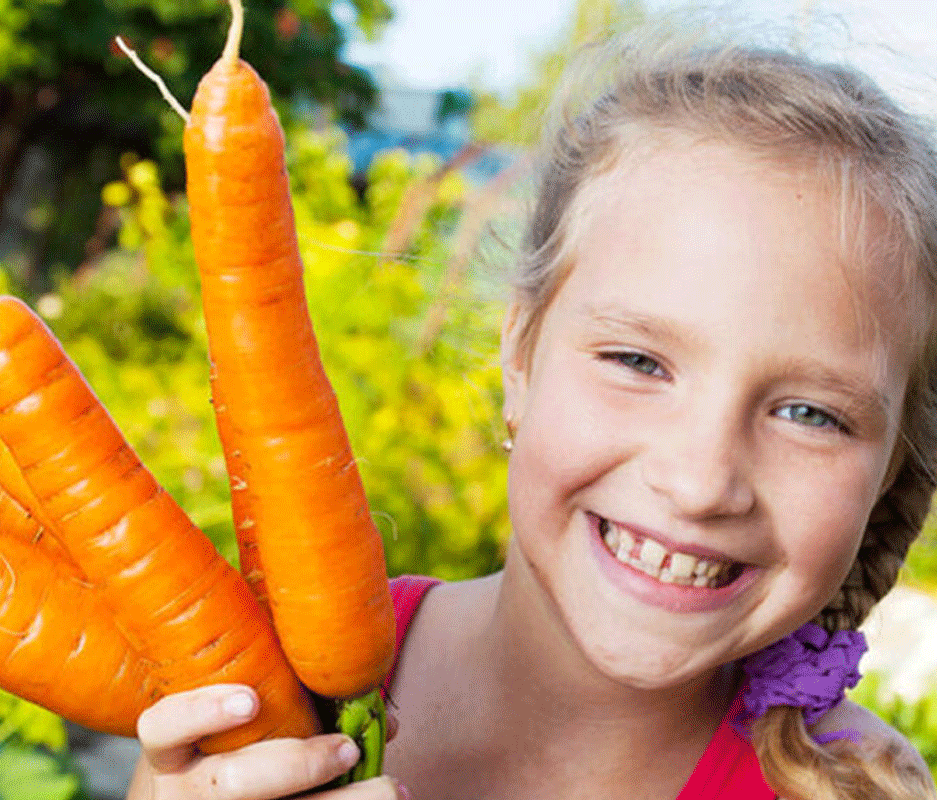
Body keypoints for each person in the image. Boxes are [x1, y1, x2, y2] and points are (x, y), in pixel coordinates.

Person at [126, 15, 937, 800]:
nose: (699, 481)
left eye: (810, 414)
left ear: (894, 464)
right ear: (520, 356)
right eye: (638, 362)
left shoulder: (861, 788)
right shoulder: (249, 718)